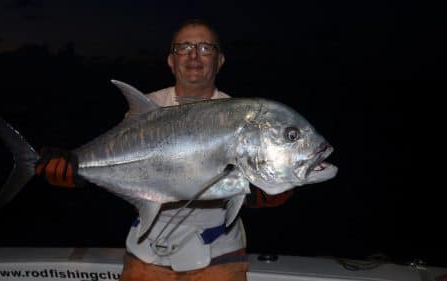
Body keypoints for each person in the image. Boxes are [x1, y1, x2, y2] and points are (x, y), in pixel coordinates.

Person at [35, 19, 292, 281]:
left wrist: (271, 192)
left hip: (219, 259)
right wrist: (76, 168)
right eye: (184, 47)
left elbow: (261, 180)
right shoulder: (149, 109)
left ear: (220, 60)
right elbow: (119, 162)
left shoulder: (240, 117)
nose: (194, 55)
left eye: (205, 48)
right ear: (171, 60)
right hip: (145, 258)